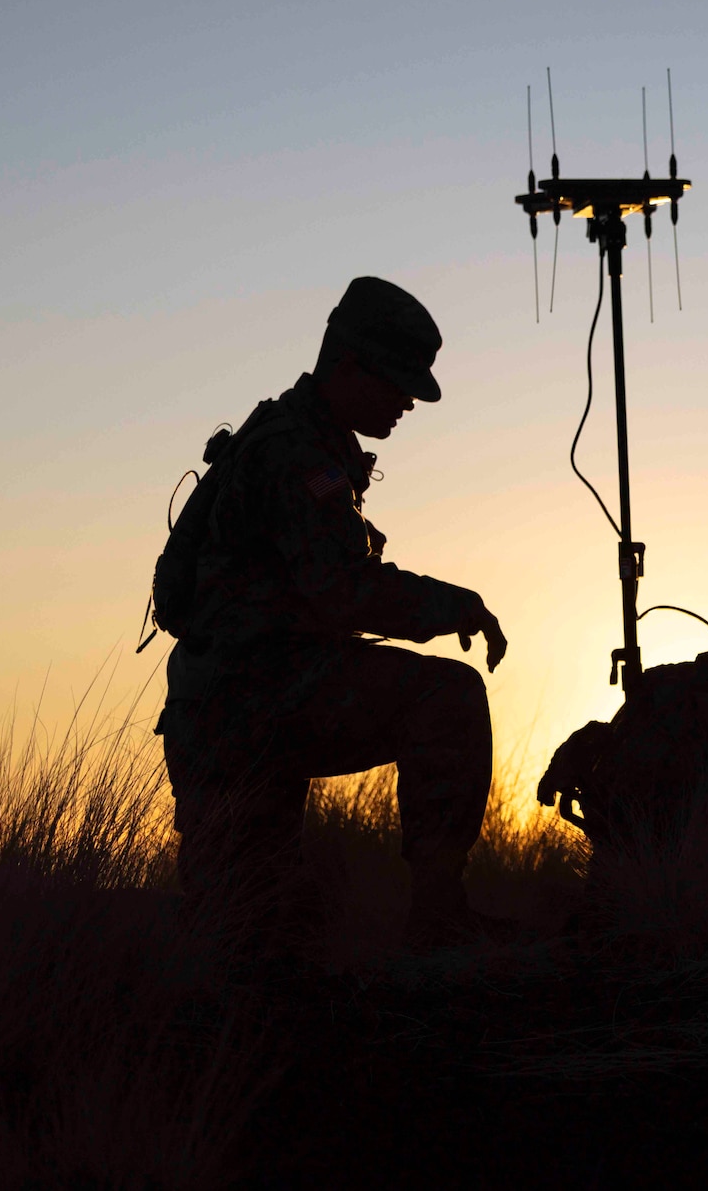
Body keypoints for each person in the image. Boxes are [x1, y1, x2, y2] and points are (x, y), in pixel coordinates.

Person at [153, 277, 509, 947]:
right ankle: (439, 920)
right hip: (250, 709)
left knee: (257, 932)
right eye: (397, 381)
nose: (408, 400)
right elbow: (344, 591)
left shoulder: (300, 441)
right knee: (450, 695)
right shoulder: (295, 454)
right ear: (348, 367)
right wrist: (453, 604)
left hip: (235, 711)